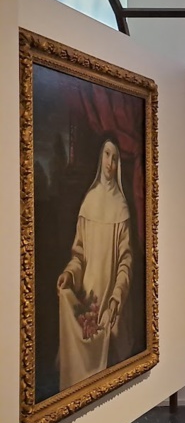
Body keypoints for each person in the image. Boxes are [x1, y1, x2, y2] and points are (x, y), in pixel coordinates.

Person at [56, 138, 134, 390]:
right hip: (87, 299)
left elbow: (126, 261)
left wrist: (116, 295)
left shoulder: (121, 208)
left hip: (108, 304)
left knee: (107, 385)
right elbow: (78, 256)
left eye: (115, 158)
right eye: (107, 155)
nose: (110, 163)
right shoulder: (88, 202)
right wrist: (69, 274)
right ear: (100, 157)